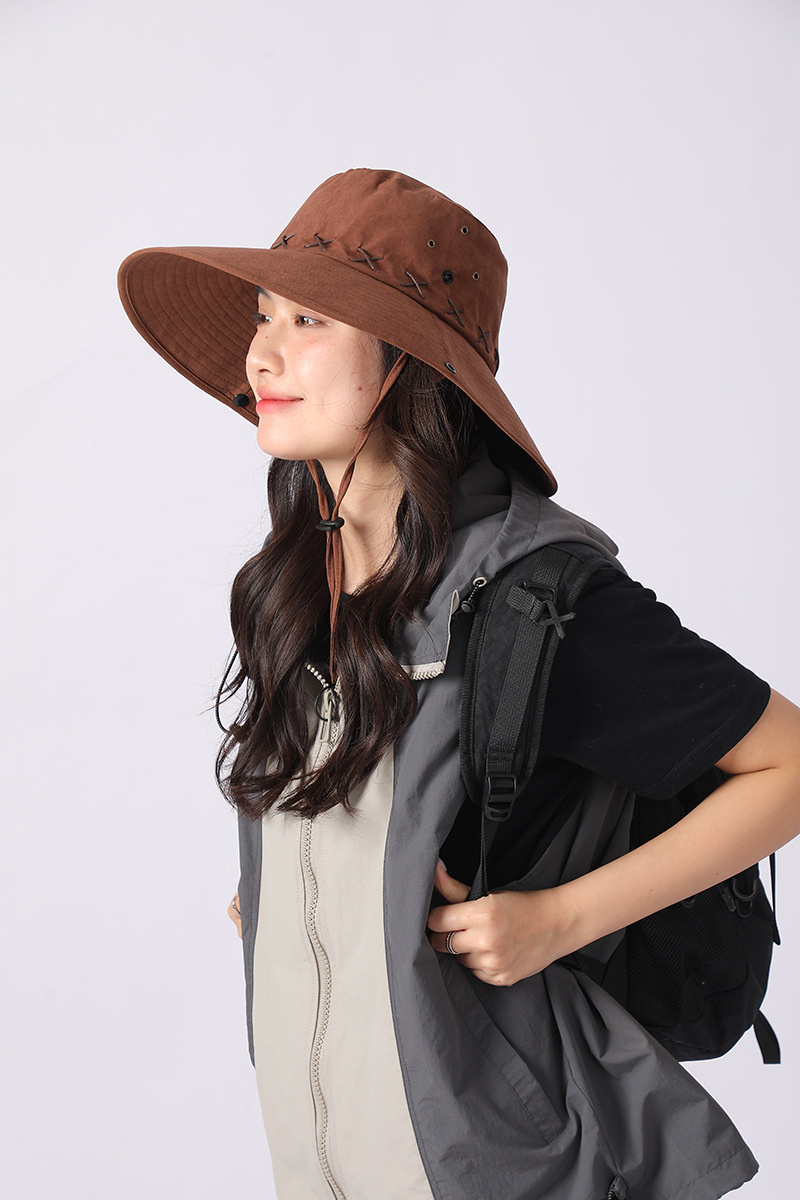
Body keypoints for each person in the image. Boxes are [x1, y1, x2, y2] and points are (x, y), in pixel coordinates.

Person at [118, 168, 800, 1200]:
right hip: (327, 1153)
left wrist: (559, 918)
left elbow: (787, 763)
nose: (261, 353)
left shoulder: (539, 600)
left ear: (407, 361)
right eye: (262, 314)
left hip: (505, 1165)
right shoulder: (296, 580)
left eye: (308, 319)